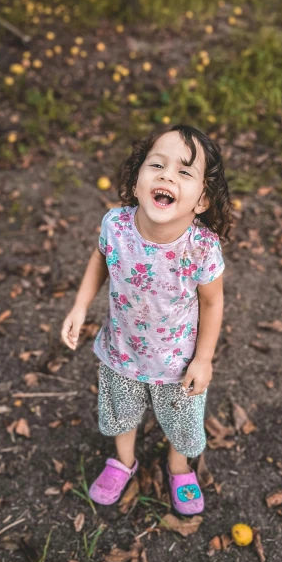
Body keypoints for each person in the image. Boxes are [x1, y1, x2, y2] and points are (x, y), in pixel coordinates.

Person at [61, 124, 232, 515]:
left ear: (201, 199)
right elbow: (100, 259)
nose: (167, 175)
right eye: (156, 164)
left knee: (183, 422)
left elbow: (213, 303)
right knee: (120, 412)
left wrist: (203, 359)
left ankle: (177, 466)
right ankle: (123, 461)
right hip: (122, 350)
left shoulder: (201, 248)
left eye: (184, 172)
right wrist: (79, 306)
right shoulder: (116, 226)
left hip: (177, 362)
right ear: (137, 181)